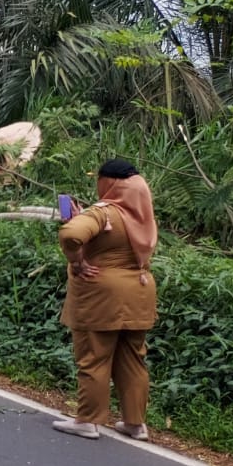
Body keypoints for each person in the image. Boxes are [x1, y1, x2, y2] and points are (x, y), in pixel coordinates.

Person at [51, 159, 159, 441]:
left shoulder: (103, 213)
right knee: (133, 358)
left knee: (94, 356)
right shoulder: (140, 216)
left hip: (102, 296)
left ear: (108, 183)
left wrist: (77, 262)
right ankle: (135, 424)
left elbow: (72, 235)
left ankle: (87, 420)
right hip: (139, 292)